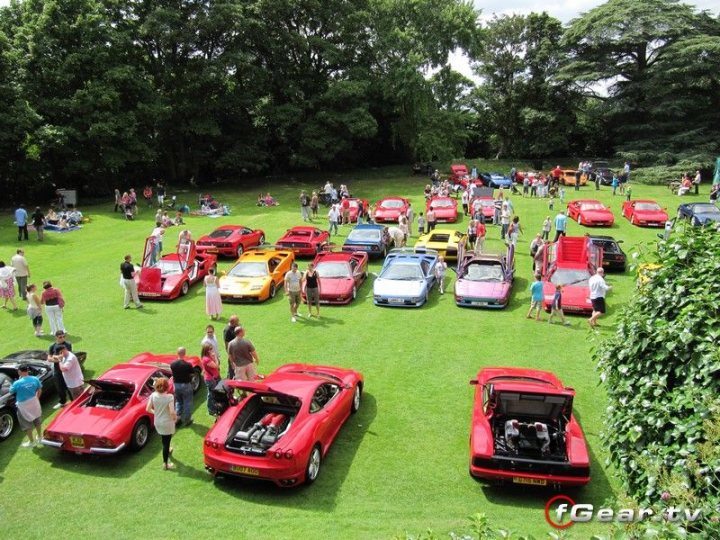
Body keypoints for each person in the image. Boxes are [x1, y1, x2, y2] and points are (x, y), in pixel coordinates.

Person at [146, 377, 177, 470]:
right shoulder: (169, 397)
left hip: (158, 422)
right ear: (166, 387)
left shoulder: (153, 395)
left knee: (165, 439)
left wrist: (158, 413)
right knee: (165, 443)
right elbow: (172, 412)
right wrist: (174, 418)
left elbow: (148, 409)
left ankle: (168, 449)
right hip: (167, 422)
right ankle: (165, 464)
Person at [9, 365, 43, 447]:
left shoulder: (17, 383)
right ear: (27, 371)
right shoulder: (35, 379)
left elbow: (11, 391)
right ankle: (40, 437)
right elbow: (39, 390)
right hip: (34, 403)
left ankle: (32, 442)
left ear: (20, 372)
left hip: (23, 406)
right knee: (37, 420)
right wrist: (36, 399)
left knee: (27, 424)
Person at [47, 331, 72, 408]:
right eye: (60, 337)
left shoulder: (67, 345)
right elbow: (49, 358)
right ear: (56, 337)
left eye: (63, 336)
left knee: (69, 386)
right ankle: (62, 401)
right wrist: (58, 359)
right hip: (57, 369)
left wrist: (56, 358)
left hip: (66, 368)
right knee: (59, 387)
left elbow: (68, 357)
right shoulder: (52, 346)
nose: (62, 338)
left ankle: (73, 400)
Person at [170, 347, 194, 427]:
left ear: (177, 353)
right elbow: (192, 374)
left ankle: (178, 418)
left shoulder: (172, 364)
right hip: (186, 385)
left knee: (178, 402)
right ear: (184, 354)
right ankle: (187, 420)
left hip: (176, 385)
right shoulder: (188, 365)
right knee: (187, 402)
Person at [200, 343, 221, 416]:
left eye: (212, 348)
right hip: (211, 379)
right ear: (206, 350)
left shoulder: (207, 357)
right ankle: (211, 410)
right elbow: (216, 366)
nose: (212, 350)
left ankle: (216, 406)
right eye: (210, 349)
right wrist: (215, 357)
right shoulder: (206, 359)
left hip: (213, 377)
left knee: (215, 393)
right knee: (211, 394)